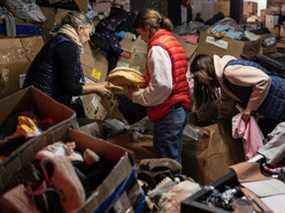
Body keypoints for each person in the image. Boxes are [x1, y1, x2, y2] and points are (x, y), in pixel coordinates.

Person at [129, 9, 191, 163]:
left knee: (166, 163)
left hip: (169, 111)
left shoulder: (157, 48)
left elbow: (162, 86)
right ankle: (178, 184)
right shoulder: (171, 39)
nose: (142, 39)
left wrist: (137, 96)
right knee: (173, 157)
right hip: (178, 108)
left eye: (141, 34)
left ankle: (173, 186)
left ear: (148, 29)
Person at [24, 12, 111, 113]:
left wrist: (98, 85)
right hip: (44, 99)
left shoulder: (60, 39)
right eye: (89, 33)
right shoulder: (68, 46)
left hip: (37, 94)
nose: (89, 38)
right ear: (80, 29)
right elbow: (71, 88)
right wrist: (96, 88)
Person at [190, 54, 285, 134]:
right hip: (274, 101)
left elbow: (263, 80)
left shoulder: (230, 72)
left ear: (205, 70)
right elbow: (228, 94)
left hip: (279, 97)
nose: (201, 80)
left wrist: (249, 109)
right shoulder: (224, 77)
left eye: (199, 76)